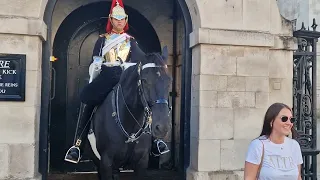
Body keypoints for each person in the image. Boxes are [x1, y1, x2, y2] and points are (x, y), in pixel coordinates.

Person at [64, 0, 169, 164]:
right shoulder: (102, 40)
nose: (119, 22)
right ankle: (78, 144)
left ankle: (156, 141)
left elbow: (140, 59)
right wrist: (98, 64)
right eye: (116, 19)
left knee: (146, 98)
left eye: (122, 19)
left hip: (125, 77)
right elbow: (96, 58)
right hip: (107, 75)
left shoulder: (131, 41)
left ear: (125, 20)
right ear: (111, 20)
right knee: (88, 101)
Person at [244, 103, 303, 180]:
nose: (289, 123)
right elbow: (249, 178)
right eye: (284, 118)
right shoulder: (258, 145)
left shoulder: (294, 145)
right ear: (271, 121)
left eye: (291, 119)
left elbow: (298, 177)